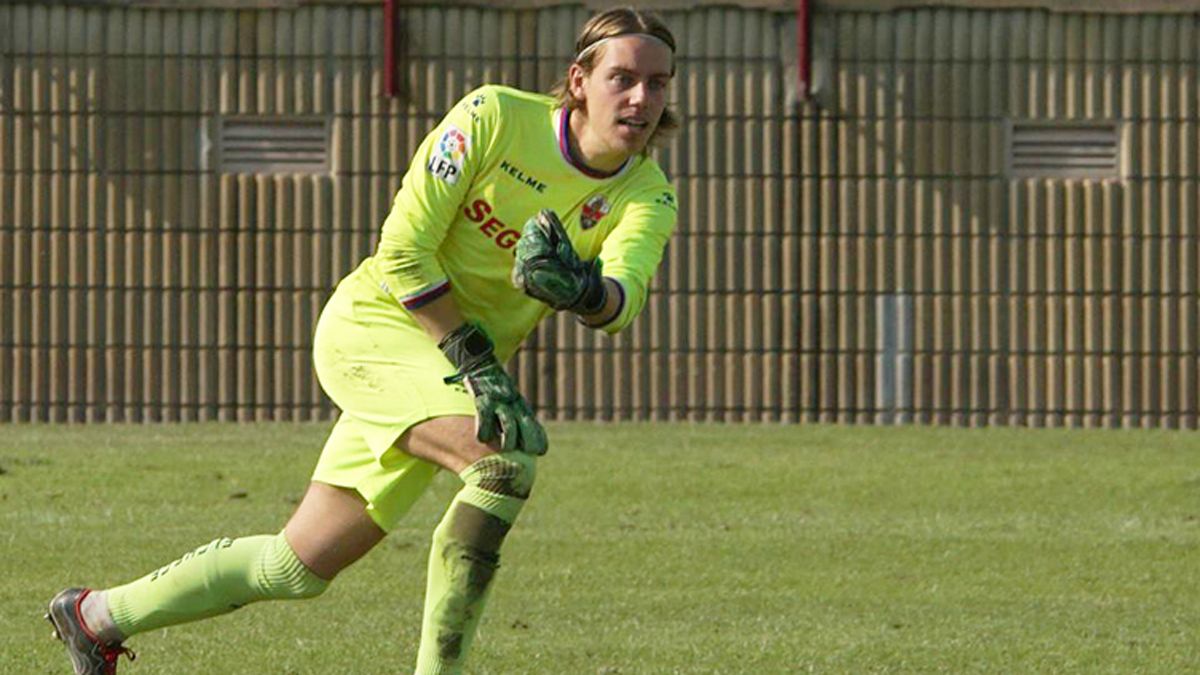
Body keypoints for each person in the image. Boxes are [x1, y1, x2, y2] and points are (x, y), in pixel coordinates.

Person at [46, 7, 679, 674]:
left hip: (453, 373)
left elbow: (621, 300)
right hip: (377, 328)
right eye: (623, 78)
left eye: (659, 83)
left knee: (298, 566)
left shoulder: (649, 194)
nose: (641, 98)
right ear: (579, 80)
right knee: (501, 464)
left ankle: (94, 616)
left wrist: (581, 288)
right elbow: (405, 251)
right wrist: (472, 357)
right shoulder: (493, 116)